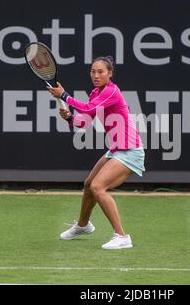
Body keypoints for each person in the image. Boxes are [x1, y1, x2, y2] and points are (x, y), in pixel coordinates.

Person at [48, 56, 145, 250]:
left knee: (98, 186)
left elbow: (89, 107)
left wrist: (64, 95)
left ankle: (122, 236)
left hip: (130, 150)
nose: (96, 75)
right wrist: (69, 117)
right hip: (116, 149)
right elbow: (83, 122)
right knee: (88, 185)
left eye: (101, 71)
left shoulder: (111, 91)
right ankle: (83, 225)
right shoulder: (96, 93)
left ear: (110, 73)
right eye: (93, 71)